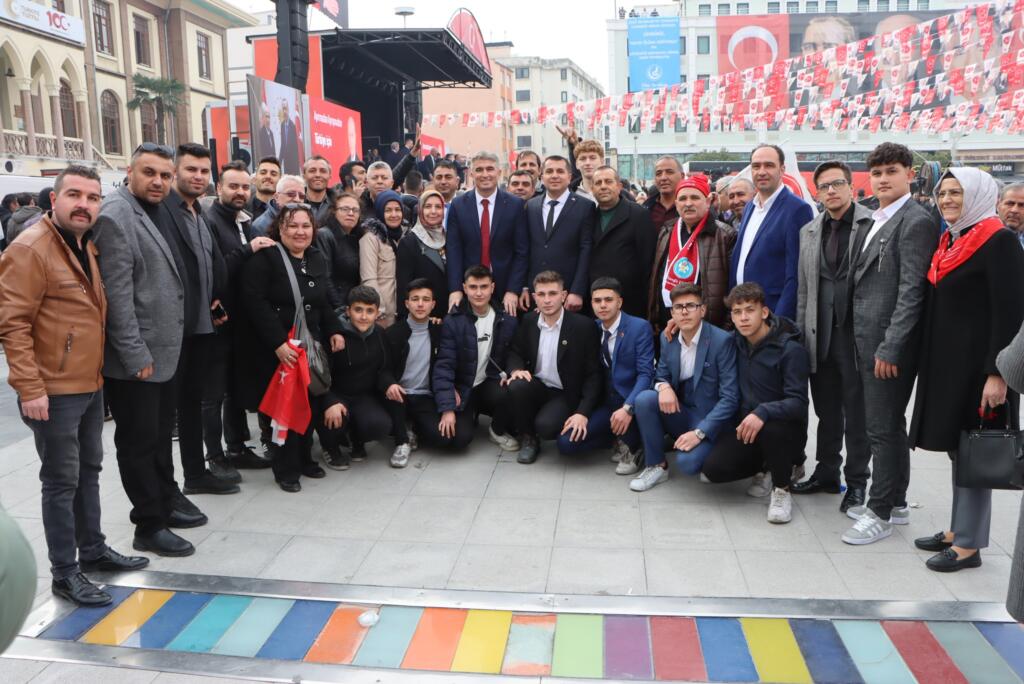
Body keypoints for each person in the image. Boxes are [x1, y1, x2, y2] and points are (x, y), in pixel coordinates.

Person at [0, 165, 149, 606]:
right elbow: (12, 324)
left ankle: (93, 550)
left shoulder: (85, 244)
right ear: (55, 199)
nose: (84, 204)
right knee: (61, 481)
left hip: (88, 382)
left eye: (93, 197)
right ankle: (65, 573)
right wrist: (30, 387)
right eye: (75, 195)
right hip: (53, 390)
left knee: (88, 472)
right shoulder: (31, 248)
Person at [908, 167, 1024, 571]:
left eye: (956, 193)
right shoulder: (953, 239)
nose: (947, 200)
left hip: (981, 370)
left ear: (977, 195)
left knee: (977, 450)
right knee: (960, 449)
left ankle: (969, 545)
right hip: (950, 367)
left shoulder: (998, 241)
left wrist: (997, 374)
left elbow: (1011, 313)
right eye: (943, 193)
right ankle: (959, 529)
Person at [94, 143, 200, 557]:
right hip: (137, 360)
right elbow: (118, 298)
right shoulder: (116, 214)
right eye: (149, 173)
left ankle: (164, 503)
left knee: (157, 438)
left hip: (164, 353)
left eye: (164, 175)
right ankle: (148, 525)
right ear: (130, 171)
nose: (158, 182)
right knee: (138, 444)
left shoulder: (157, 208)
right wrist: (135, 356)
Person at [839, 142, 937, 542]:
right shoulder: (876, 217)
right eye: (877, 172)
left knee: (881, 428)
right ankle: (896, 503)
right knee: (888, 425)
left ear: (909, 174)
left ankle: (878, 511)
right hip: (865, 339)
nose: (882, 179)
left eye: (891, 171)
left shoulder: (915, 221)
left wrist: (892, 346)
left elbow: (912, 291)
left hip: (887, 346)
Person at [238, 204, 345, 492]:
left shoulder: (316, 257)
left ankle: (305, 459)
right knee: (283, 409)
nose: (300, 232)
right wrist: (278, 343)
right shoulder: (266, 258)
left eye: (305, 225)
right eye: (292, 225)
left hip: (308, 345)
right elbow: (254, 303)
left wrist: (335, 330)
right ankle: (285, 468)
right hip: (277, 349)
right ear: (279, 229)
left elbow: (322, 301)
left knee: (308, 402)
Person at [793, 161, 871, 508]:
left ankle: (857, 482)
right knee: (826, 412)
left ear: (851, 187)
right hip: (820, 336)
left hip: (856, 337)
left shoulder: (871, 224)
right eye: (823, 186)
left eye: (837, 183)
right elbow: (804, 290)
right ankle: (826, 473)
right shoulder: (809, 231)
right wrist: (801, 335)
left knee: (857, 415)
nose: (830, 191)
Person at [701, 283, 810, 523]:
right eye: (737, 312)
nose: (743, 318)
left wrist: (763, 411)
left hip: (784, 430)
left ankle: (782, 488)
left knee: (772, 428)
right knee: (713, 471)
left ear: (764, 312)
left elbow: (799, 403)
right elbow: (705, 335)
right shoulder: (735, 342)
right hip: (748, 429)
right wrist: (677, 325)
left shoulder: (790, 349)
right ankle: (765, 466)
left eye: (750, 310)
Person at [162, 144, 235, 495]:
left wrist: (214, 297)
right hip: (176, 329)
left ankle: (196, 474)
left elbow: (207, 262)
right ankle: (167, 490)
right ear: (175, 172)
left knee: (191, 403)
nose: (198, 176)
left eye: (204, 171)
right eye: (191, 169)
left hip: (203, 325)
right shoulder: (163, 212)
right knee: (170, 413)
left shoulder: (197, 211)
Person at [203, 161, 277, 472]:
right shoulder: (209, 222)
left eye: (245, 187)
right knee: (214, 394)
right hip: (218, 322)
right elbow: (214, 270)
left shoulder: (244, 222)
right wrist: (250, 250)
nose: (240, 192)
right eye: (233, 186)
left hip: (241, 322)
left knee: (234, 388)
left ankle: (236, 448)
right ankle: (214, 456)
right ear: (219, 187)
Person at [629, 284, 739, 492]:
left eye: (691, 305)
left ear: (702, 310)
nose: (684, 311)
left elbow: (730, 398)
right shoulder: (668, 338)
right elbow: (660, 375)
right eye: (678, 307)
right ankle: (656, 465)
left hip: (709, 419)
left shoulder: (721, 341)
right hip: (681, 412)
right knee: (645, 399)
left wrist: (700, 433)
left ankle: (709, 448)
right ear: (672, 313)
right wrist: (664, 387)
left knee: (688, 464)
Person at [557, 277, 654, 474]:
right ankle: (615, 439)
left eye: (608, 300)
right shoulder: (591, 327)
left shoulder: (639, 327)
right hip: (605, 403)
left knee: (634, 408)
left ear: (619, 302)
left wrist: (628, 408)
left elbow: (646, 374)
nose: (602, 305)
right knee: (566, 443)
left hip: (630, 401)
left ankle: (635, 447)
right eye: (597, 300)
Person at [505, 271, 603, 464]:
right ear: (534, 297)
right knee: (517, 384)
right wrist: (516, 370)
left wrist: (582, 412)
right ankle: (528, 439)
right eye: (541, 294)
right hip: (539, 386)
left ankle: (542, 423)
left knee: (545, 426)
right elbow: (515, 351)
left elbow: (594, 374)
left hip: (566, 393)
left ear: (563, 295)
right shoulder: (529, 321)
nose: (547, 300)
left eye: (553, 293)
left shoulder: (583, 326)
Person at [433, 265, 519, 452]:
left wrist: (513, 371)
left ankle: (496, 430)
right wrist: (447, 407)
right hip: (462, 387)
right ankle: (470, 413)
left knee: (516, 389)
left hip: (489, 382)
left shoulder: (506, 319)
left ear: (492, 287)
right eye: (473, 287)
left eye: (484, 287)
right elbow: (444, 365)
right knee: (459, 440)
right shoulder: (453, 321)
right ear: (464, 288)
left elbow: (513, 353)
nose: (479, 293)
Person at [730, 145, 813, 320]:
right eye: (756, 166)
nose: (761, 172)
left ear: (782, 169)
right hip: (743, 314)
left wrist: (780, 321)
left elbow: (795, 274)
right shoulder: (750, 207)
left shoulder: (797, 209)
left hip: (772, 314)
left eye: (769, 165)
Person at [648, 174, 736, 331]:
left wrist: (726, 328)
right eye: (682, 199)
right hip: (666, 323)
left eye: (695, 197)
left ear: (708, 201)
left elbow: (734, 287)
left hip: (709, 327)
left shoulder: (725, 235)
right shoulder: (666, 231)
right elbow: (656, 278)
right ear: (676, 204)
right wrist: (654, 317)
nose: (688, 203)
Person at [446, 151, 528, 317]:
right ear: (471, 174)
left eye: (490, 169)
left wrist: (513, 289)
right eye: (479, 169)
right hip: (470, 289)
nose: (485, 174)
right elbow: (454, 251)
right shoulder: (458, 205)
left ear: (499, 172)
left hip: (505, 291)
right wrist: (455, 289)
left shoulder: (515, 205)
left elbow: (522, 252)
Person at [382, 280, 451, 466]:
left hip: (425, 396)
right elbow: (383, 368)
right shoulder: (393, 333)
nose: (420, 304)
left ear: (433, 304)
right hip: (399, 394)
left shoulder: (439, 331)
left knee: (443, 438)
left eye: (426, 300)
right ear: (407, 303)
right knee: (395, 399)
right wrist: (390, 383)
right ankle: (402, 442)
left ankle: (411, 427)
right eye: (415, 299)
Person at [330, 286, 394, 463]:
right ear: (348, 311)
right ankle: (330, 446)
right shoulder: (335, 334)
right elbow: (322, 375)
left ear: (377, 314)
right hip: (336, 395)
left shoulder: (379, 333)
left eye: (369, 311)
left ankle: (356, 439)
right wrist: (329, 401)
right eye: (358, 310)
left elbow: (384, 368)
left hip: (362, 396)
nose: (364, 316)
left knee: (380, 425)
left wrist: (390, 383)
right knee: (334, 421)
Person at [525, 156, 595, 312]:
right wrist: (524, 287)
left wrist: (577, 291)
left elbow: (586, 250)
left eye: (560, 171)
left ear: (569, 177)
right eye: (549, 171)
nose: (554, 175)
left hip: (568, 291)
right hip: (536, 291)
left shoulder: (585, 206)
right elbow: (525, 248)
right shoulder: (531, 206)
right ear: (542, 177)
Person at [590, 166, 655, 319]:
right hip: (597, 300)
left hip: (630, 301)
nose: (603, 186)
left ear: (619, 186)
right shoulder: (589, 216)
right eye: (598, 183)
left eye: (608, 181)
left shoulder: (639, 214)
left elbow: (648, 261)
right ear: (592, 189)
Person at [359, 190, 408, 328]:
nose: (394, 214)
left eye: (398, 210)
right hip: (382, 315)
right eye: (388, 210)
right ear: (380, 211)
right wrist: (378, 309)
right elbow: (368, 279)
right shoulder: (371, 238)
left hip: (404, 313)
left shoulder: (405, 236)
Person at [397, 189, 448, 320]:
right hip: (422, 317)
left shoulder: (449, 238)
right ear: (420, 210)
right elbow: (404, 286)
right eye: (428, 206)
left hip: (448, 316)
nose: (433, 211)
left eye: (438, 207)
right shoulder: (409, 242)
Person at [318, 191, 364, 312]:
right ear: (334, 211)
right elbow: (325, 277)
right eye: (345, 209)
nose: (351, 213)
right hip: (335, 308)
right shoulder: (324, 235)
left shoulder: (358, 237)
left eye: (355, 210)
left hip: (353, 306)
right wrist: (341, 309)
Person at [643, 156, 683, 232]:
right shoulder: (644, 210)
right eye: (658, 174)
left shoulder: (692, 208)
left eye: (669, 172)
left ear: (682, 176)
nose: (663, 178)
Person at [247, 156, 281, 222]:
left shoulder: (286, 209)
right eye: (263, 173)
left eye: (273, 174)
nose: (268, 176)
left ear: (280, 180)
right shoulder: (242, 209)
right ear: (254, 179)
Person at [571, 139, 604, 203]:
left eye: (592, 158)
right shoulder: (567, 194)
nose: (587, 163)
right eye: (583, 159)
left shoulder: (617, 194)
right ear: (577, 164)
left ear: (602, 161)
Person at [303, 155, 334, 225]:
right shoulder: (295, 201)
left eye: (323, 171)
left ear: (330, 176)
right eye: (312, 171)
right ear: (304, 176)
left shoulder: (338, 203)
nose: (318, 175)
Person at [431, 160, 460, 224]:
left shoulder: (468, 206)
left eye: (448, 177)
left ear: (457, 181)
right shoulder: (423, 207)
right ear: (433, 181)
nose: (443, 182)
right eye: (439, 178)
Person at [278, 100, 301, 175]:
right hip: (286, 163)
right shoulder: (282, 125)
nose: (284, 111)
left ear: (288, 109)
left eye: (286, 109)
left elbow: (297, 147)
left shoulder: (294, 126)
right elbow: (283, 145)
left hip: (294, 163)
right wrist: (279, 162)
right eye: (283, 109)